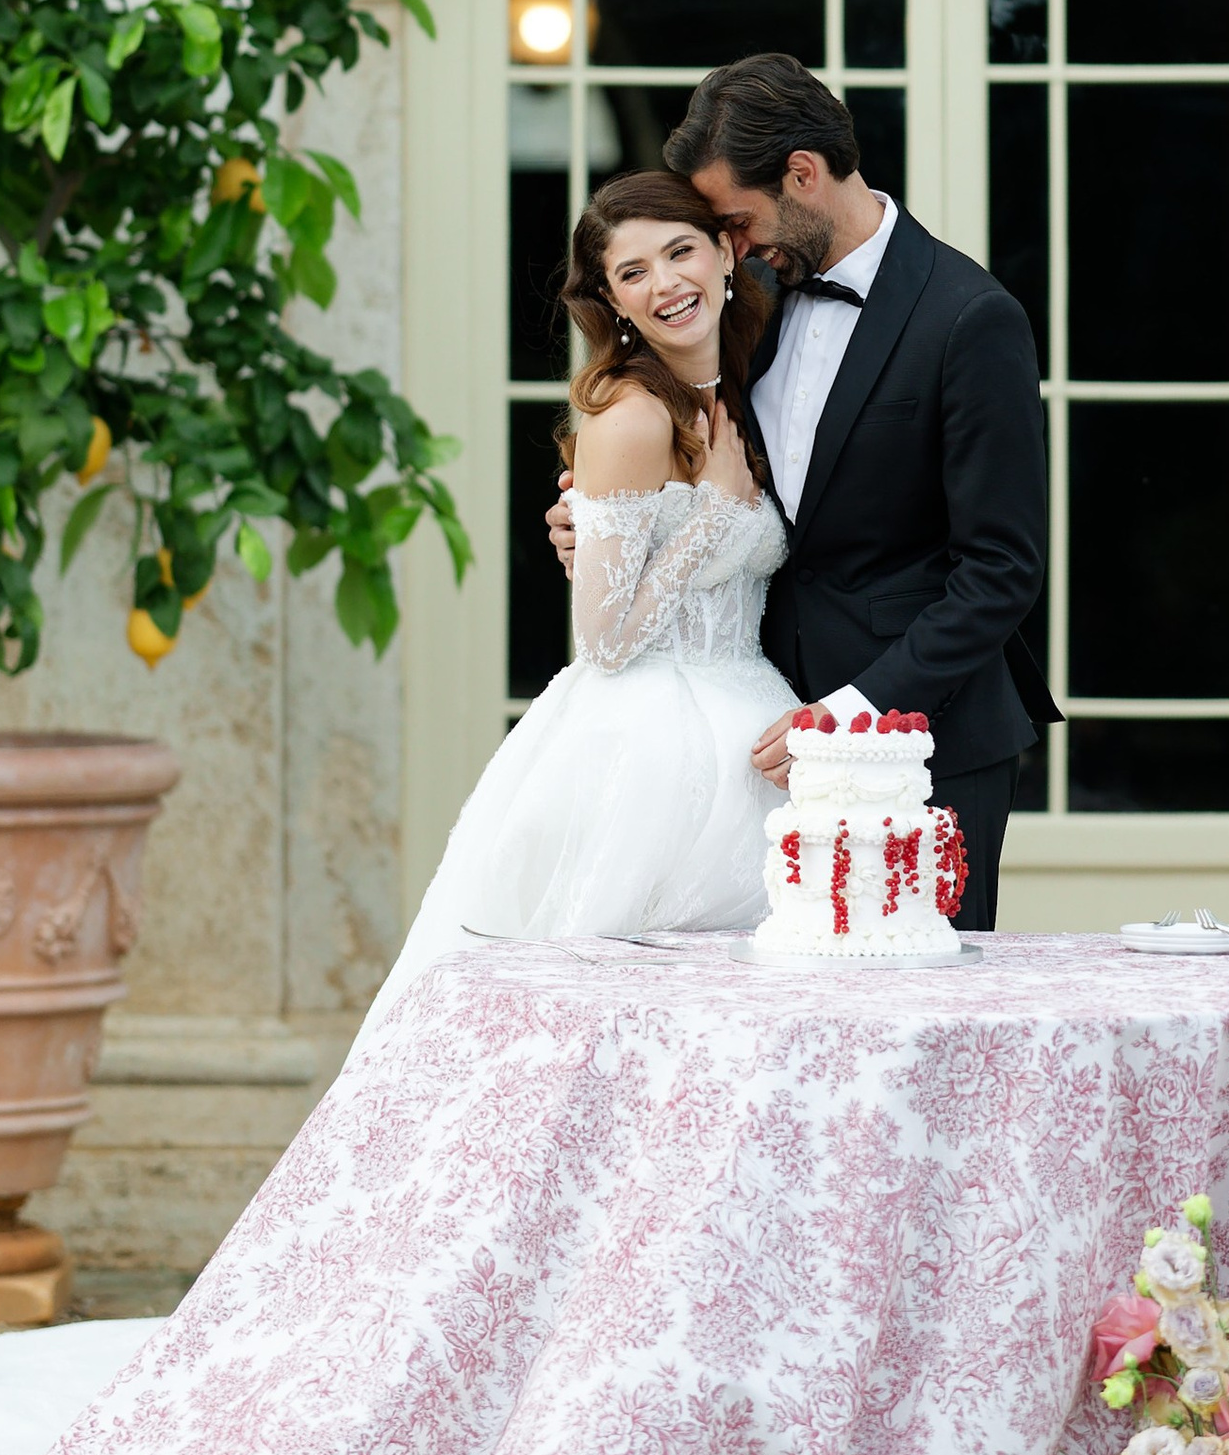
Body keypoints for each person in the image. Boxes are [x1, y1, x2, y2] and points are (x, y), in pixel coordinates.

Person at [560, 54, 1056, 934]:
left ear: (801, 174)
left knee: (916, 999)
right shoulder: (745, 299)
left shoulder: (970, 317)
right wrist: (603, 526)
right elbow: (698, 476)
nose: (732, 246)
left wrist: (853, 715)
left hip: (923, 743)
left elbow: (1000, 570)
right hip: (751, 743)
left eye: (736, 221)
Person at [369, 170, 794, 999]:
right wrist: (711, 515)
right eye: (633, 272)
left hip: (753, 727)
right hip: (649, 747)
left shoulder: (746, 396)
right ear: (612, 301)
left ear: (724, 254)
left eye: (679, 252)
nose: (665, 283)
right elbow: (604, 641)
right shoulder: (631, 416)